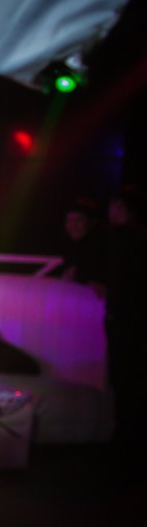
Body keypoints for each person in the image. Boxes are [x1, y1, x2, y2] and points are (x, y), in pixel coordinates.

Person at [103, 185, 147, 460]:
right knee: (135, 379)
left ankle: (123, 442)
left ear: (120, 207)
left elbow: (117, 279)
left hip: (124, 319)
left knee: (123, 380)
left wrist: (112, 311)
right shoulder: (141, 236)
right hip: (137, 320)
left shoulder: (121, 237)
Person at [59, 197, 107, 296]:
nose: (72, 225)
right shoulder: (72, 246)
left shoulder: (104, 246)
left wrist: (79, 275)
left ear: (92, 222)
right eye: (69, 220)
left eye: (78, 220)